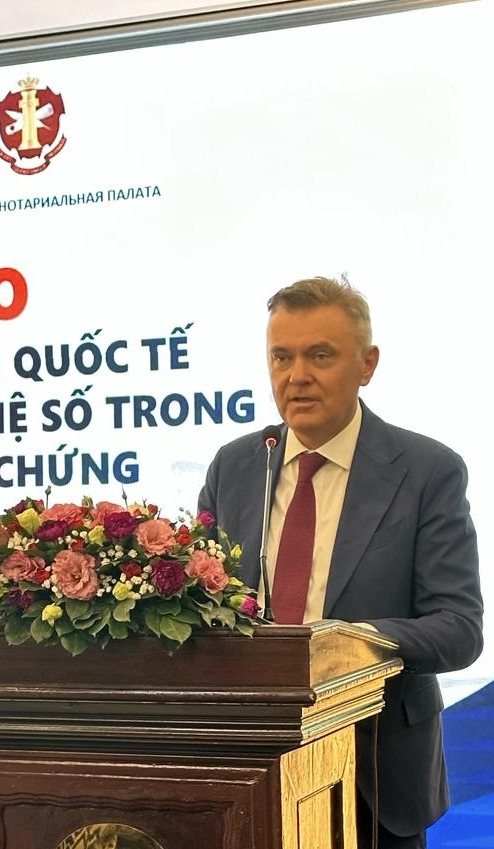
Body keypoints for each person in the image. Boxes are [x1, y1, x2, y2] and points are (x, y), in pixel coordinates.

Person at [197, 276, 483, 848]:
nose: (296, 375)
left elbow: (458, 629)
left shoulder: (427, 471)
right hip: (247, 770)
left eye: (320, 355)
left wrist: (341, 645)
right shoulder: (235, 466)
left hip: (375, 777)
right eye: (281, 356)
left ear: (367, 364)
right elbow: (200, 608)